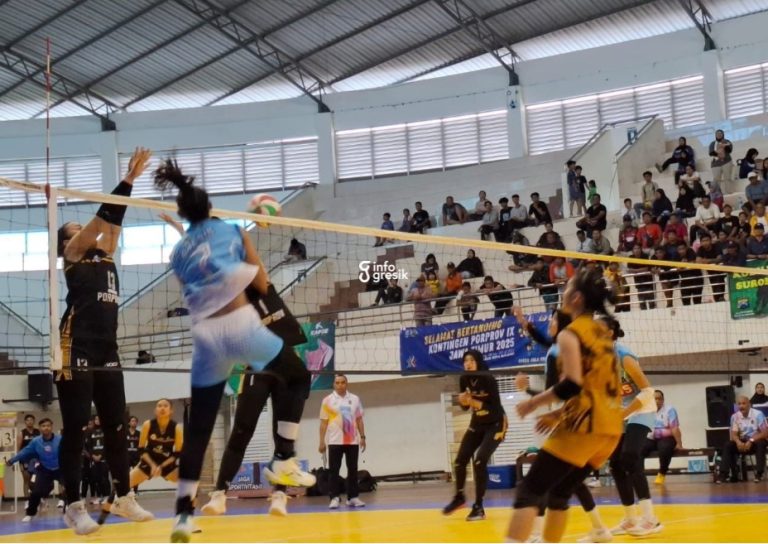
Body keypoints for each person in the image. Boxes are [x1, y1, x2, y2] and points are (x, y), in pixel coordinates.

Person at [155, 159, 316, 542]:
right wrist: (249, 246)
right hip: (241, 329)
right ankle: (283, 462)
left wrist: (181, 230)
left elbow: (200, 254)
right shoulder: (231, 232)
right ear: (211, 209)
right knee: (299, 376)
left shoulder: (178, 254)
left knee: (199, 431)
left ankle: (182, 517)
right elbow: (259, 280)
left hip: (207, 338)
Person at [55, 147, 154, 535]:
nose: (80, 232)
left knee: (116, 425)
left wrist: (129, 183)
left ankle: (124, 496)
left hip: (106, 348)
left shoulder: (107, 253)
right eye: (73, 229)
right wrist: (126, 180)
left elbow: (113, 221)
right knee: (77, 426)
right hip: (74, 346)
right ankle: (73, 505)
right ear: (67, 242)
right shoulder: (75, 253)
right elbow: (100, 221)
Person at [506, 268, 622, 543]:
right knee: (558, 493)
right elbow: (592, 387)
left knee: (528, 492)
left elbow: (572, 385)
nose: (563, 293)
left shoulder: (570, 334)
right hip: (610, 431)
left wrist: (533, 402)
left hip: (585, 428)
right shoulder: (601, 332)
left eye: (567, 288)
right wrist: (558, 413)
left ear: (577, 298)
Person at [606, 320, 662, 537]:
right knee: (616, 465)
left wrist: (622, 414)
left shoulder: (624, 355)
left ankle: (650, 519)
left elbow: (648, 391)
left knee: (630, 457)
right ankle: (630, 519)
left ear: (609, 333)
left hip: (642, 409)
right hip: (622, 411)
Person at [443, 350, 507, 522]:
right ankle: (459, 497)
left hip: (496, 423)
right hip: (477, 423)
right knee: (460, 460)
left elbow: (494, 409)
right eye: (465, 360)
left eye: (471, 360)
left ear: (478, 361)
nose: (468, 363)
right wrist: (462, 401)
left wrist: (473, 401)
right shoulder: (464, 378)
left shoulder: (488, 378)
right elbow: (465, 407)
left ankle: (479, 507)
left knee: (479, 462)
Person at [319, 374, 366, 510]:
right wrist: (321, 442)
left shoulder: (355, 399)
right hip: (334, 441)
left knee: (353, 469)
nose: (340, 385)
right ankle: (334, 498)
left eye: (342, 382)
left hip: (352, 441)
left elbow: (359, 419)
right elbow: (323, 423)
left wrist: (363, 437)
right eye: (337, 382)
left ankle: (353, 497)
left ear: (347, 383)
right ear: (333, 384)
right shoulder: (327, 401)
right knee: (334, 471)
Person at [6, 418, 62, 522]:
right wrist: (12, 461)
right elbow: (24, 452)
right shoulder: (36, 441)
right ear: (40, 428)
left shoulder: (60, 439)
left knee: (72, 486)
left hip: (60, 468)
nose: (46, 428)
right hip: (45, 469)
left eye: (48, 425)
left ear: (52, 427)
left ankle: (75, 511)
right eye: (44, 426)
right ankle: (30, 514)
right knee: (36, 492)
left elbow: (71, 451)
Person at [129, 399, 183, 491]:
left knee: (191, 482)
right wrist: (153, 465)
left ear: (171, 411)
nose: (162, 408)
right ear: (155, 410)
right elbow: (141, 449)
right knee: (122, 485)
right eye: (159, 406)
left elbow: (177, 453)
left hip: (167, 464)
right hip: (148, 462)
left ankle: (190, 504)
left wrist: (161, 467)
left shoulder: (176, 428)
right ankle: (110, 503)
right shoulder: (148, 424)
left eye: (165, 406)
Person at [717, 396, 767, 483]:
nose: (741, 406)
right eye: (739, 404)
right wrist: (738, 442)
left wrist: (751, 440)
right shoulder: (735, 417)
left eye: (743, 403)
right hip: (742, 442)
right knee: (728, 445)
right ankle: (723, 474)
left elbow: (765, 432)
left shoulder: (758, 414)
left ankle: (759, 473)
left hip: (755, 441)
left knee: (761, 443)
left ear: (749, 404)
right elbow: (734, 434)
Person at [642, 390, 682, 485]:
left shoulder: (670, 410)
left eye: (659, 398)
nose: (657, 401)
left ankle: (662, 473)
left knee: (664, 449)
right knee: (639, 449)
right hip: (651, 438)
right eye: (654, 399)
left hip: (667, 438)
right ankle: (639, 474)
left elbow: (675, 428)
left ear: (663, 400)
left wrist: (679, 443)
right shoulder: (646, 411)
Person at [17, 414, 40, 500]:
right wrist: (20, 462)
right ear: (25, 422)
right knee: (26, 480)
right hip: (25, 460)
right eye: (28, 420)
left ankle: (37, 498)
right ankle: (27, 500)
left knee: (35, 481)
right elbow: (18, 450)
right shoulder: (22, 433)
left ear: (34, 421)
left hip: (36, 460)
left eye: (31, 420)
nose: (30, 421)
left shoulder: (38, 432)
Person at [126, 417, 140, 493]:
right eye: (132, 421)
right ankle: (127, 491)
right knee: (126, 475)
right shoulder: (125, 433)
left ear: (137, 423)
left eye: (135, 421)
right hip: (127, 457)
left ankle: (135, 491)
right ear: (129, 423)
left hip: (136, 457)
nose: (134, 422)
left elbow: (141, 446)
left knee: (136, 475)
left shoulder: (139, 434)